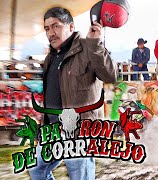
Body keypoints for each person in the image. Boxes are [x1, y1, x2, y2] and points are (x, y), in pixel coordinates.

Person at [28, 7, 117, 180]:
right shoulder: (50, 59)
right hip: (53, 132)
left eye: (56, 26)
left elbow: (110, 75)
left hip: (79, 133)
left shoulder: (89, 47)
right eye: (47, 29)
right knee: (36, 169)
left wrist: (95, 44)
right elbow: (50, 97)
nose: (51, 33)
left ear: (71, 26)